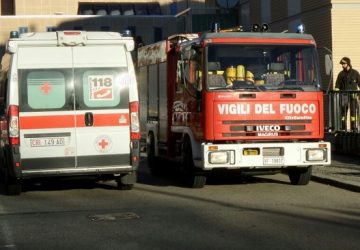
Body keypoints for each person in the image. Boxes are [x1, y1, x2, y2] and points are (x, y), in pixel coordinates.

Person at [335, 57, 360, 131]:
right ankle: (343, 128)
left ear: (348, 64)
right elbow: (337, 86)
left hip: (353, 96)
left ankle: (353, 128)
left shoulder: (355, 73)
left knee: (353, 113)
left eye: (343, 64)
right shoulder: (341, 74)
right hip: (344, 96)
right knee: (343, 113)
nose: (342, 65)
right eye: (342, 64)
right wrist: (337, 93)